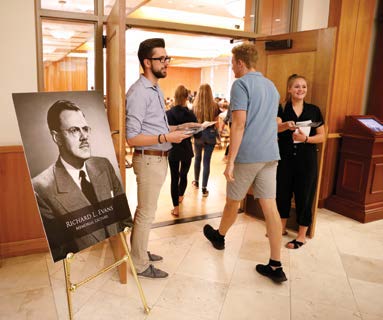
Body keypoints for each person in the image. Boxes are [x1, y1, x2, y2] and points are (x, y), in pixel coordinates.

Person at [203, 43, 287, 283]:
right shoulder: (271, 86)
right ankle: (275, 264)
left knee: (233, 201)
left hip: (249, 154)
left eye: (232, 64)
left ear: (240, 62)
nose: (232, 68)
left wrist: (230, 161)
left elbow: (239, 124)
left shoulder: (241, 84)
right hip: (271, 154)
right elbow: (271, 120)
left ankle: (219, 236)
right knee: (270, 206)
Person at [125, 38, 197, 278]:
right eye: (161, 58)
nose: (166, 62)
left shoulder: (156, 89)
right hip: (148, 159)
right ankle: (139, 263)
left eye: (167, 58)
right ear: (147, 62)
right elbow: (132, 138)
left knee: (146, 211)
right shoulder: (138, 93)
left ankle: (139, 251)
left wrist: (180, 127)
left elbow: (155, 125)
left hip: (158, 157)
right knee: (146, 212)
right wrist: (166, 136)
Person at [32, 100, 128, 261]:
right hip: (84, 262)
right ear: (57, 137)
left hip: (116, 253)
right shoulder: (41, 187)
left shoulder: (103, 164)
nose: (84, 136)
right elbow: (61, 247)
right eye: (74, 130)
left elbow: (123, 215)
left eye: (85, 128)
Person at [276, 74, 325, 249]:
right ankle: (280, 229)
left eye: (304, 86)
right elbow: (275, 127)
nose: (301, 90)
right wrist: (284, 126)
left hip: (307, 161)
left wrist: (305, 139)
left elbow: (322, 136)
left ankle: (301, 235)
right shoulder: (281, 108)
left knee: (305, 196)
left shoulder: (314, 110)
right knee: (282, 194)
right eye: (297, 86)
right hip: (285, 159)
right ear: (289, 89)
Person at [166, 85, 198, 217]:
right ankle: (180, 195)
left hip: (173, 149)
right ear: (186, 97)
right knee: (183, 175)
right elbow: (197, 134)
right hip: (186, 149)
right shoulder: (190, 114)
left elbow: (165, 131)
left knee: (174, 178)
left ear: (175, 96)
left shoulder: (168, 114)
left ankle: (176, 208)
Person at [192, 84, 220, 197]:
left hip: (198, 134)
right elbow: (216, 122)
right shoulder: (215, 106)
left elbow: (192, 122)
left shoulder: (195, 105)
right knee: (206, 162)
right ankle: (204, 189)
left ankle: (196, 182)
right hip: (210, 134)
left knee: (197, 158)